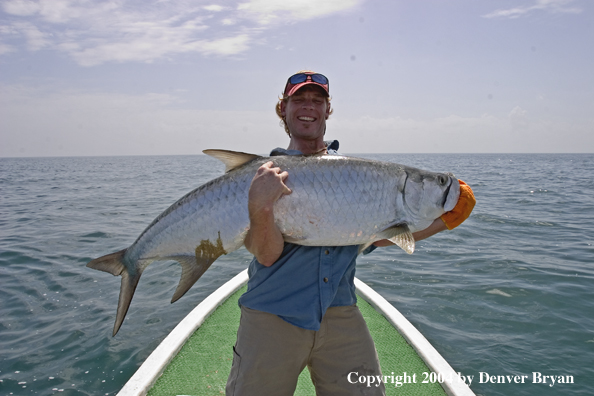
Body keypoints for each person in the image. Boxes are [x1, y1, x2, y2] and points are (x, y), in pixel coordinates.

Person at [226, 71, 475, 396]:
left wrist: (446, 219)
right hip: (272, 312)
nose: (308, 107)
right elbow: (267, 254)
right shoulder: (264, 175)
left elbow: (379, 235)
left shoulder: (356, 175)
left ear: (328, 110)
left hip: (340, 310)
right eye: (299, 100)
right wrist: (260, 203)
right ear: (282, 109)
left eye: (318, 100)